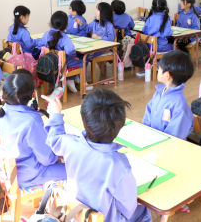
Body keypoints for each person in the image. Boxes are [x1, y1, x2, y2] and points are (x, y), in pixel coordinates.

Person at [43, 89, 152, 222]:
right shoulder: (119, 165)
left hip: (73, 214)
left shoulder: (70, 144)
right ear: (119, 127)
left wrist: (55, 114)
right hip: (101, 218)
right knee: (144, 212)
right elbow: (128, 207)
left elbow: (55, 138)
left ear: (83, 123)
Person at [0, 69, 66, 188]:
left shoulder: (2, 113)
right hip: (31, 174)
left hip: (12, 170)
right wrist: (56, 117)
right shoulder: (31, 121)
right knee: (79, 169)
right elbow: (47, 159)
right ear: (33, 94)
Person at [142, 50, 194, 139]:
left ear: (167, 75)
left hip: (168, 147)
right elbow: (149, 112)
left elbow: (174, 136)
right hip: (152, 139)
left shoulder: (179, 105)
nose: (157, 70)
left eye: (159, 69)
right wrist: (145, 131)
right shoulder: (159, 92)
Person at [37, 11, 82, 93]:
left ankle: (69, 80)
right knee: (81, 61)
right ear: (65, 24)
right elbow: (70, 50)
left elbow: (40, 46)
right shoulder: (64, 37)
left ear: (51, 22)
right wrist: (73, 56)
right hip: (61, 65)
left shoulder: (47, 34)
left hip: (50, 63)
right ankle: (71, 80)